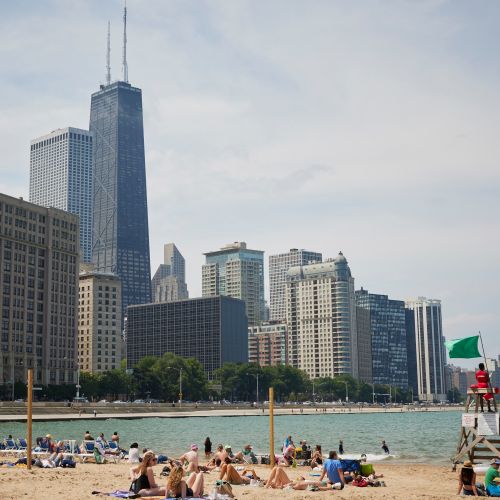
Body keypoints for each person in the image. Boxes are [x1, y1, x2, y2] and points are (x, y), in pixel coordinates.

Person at [264, 465, 329, 490]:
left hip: (287, 483)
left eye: (301, 477)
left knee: (278, 469)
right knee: (276, 468)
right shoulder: (299, 480)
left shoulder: (304, 482)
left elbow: (319, 483)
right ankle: (267, 485)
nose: (300, 477)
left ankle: (273, 485)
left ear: (303, 479)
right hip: (286, 483)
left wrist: (325, 483)